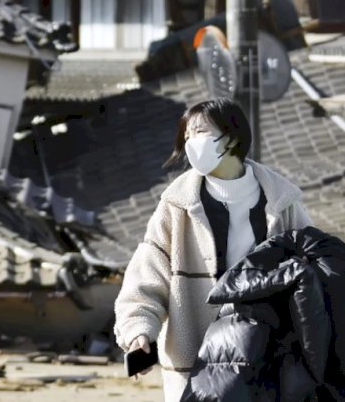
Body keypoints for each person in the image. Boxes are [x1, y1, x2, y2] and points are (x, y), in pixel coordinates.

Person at [113, 98, 313, 402]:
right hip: (195, 359)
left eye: (201, 132)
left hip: (268, 353)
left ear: (231, 137)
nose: (192, 143)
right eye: (187, 136)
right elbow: (147, 274)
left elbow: (316, 269)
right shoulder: (176, 206)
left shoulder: (282, 202)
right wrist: (138, 330)